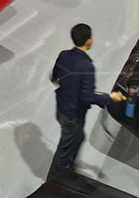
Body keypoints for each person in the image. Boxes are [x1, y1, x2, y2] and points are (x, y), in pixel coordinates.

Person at [46, 23, 124, 180]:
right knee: (65, 149)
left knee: (78, 138)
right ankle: (51, 180)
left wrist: (69, 87)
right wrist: (110, 97)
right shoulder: (87, 66)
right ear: (89, 41)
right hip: (73, 114)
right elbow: (88, 97)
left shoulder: (64, 55)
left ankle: (68, 170)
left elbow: (54, 78)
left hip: (62, 107)